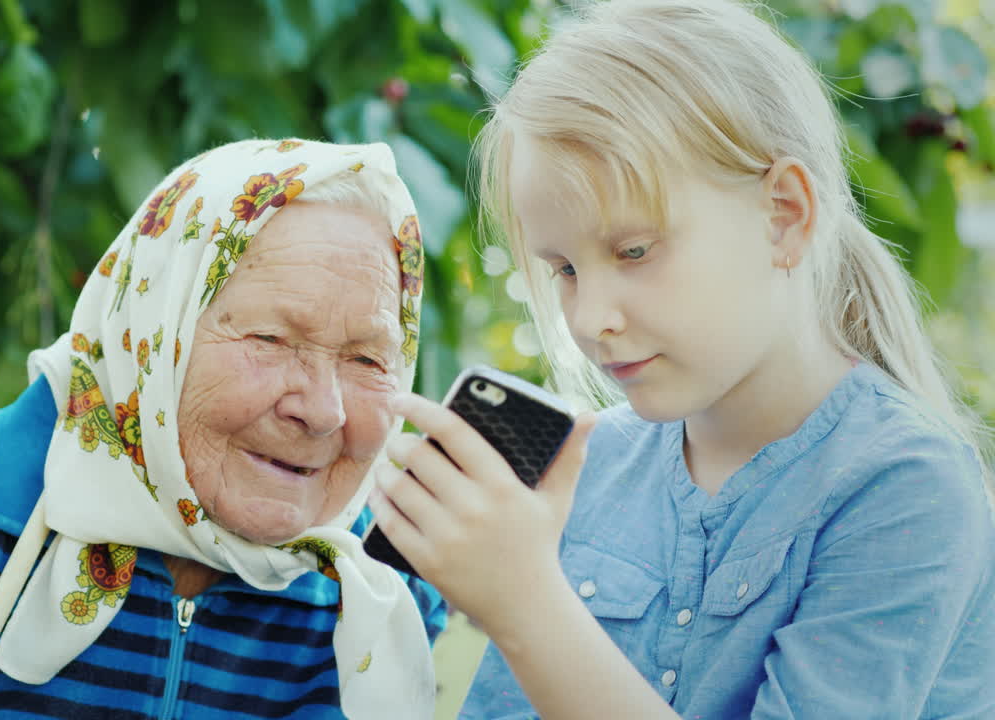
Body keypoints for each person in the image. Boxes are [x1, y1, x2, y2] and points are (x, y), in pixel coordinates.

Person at [368, 0, 995, 717]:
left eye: (634, 251)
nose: (591, 319)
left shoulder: (903, 486)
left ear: (784, 216)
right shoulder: (592, 468)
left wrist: (526, 607)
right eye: (564, 270)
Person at [0, 138, 446, 719]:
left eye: (367, 359)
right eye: (270, 337)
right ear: (150, 334)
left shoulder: (388, 593)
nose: (323, 409)